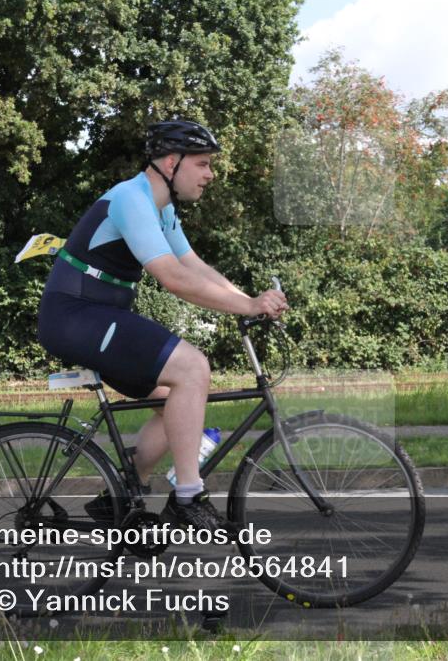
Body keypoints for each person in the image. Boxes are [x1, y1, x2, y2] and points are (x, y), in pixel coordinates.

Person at [37, 120, 288, 532]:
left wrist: (251, 302)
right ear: (172, 163)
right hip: (77, 317)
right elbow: (172, 277)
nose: (210, 175)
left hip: (101, 318)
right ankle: (188, 496)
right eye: (203, 164)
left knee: (181, 405)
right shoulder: (130, 200)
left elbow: (195, 266)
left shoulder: (161, 207)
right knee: (192, 368)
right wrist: (247, 305)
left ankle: (120, 493)